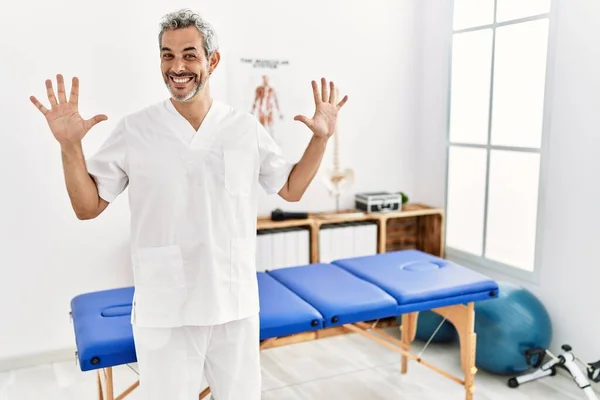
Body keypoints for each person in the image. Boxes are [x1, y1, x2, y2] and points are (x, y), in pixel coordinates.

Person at [29, 8, 348, 400]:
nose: (177, 66)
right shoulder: (135, 129)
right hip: (166, 312)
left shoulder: (244, 128)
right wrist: (70, 146)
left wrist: (321, 139)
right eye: (167, 55)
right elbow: (87, 206)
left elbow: (291, 189)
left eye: (189, 54)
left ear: (212, 60)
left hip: (234, 307)